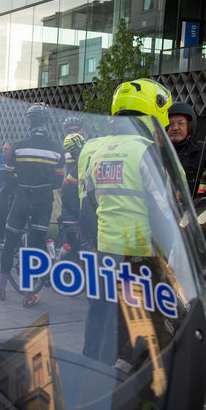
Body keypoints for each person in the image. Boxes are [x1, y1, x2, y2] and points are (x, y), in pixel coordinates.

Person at [83, 78, 174, 365]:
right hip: (141, 257)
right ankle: (141, 390)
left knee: (101, 315)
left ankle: (90, 373)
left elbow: (89, 206)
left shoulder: (98, 151)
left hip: (105, 253)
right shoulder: (146, 151)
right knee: (146, 328)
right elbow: (163, 211)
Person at [0, 105, 64, 306]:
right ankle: (29, 295)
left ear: (29, 123)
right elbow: (58, 182)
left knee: (10, 241)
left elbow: (8, 175)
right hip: (43, 202)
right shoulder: (57, 149)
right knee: (37, 246)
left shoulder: (19, 146)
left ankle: (1, 288)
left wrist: (18, 188)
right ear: (46, 123)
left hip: (22, 199)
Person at [166, 102, 206, 196]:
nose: (175, 128)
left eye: (181, 123)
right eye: (170, 124)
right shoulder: (155, 152)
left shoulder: (205, 150)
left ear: (190, 126)